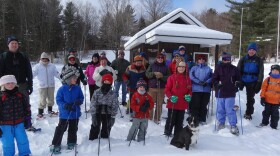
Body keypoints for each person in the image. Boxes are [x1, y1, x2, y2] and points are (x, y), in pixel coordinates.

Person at [0, 35, 35, 130]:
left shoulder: (23, 56)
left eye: (16, 43)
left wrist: (30, 83)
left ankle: (27, 122)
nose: (14, 45)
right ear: (8, 45)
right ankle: (9, 123)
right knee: (8, 104)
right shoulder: (3, 56)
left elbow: (28, 70)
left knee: (25, 104)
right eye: (12, 43)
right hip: (8, 85)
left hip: (22, 84)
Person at [50, 67, 84, 154]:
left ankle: (71, 142)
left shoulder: (78, 88)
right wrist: (65, 105)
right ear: (68, 79)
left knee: (73, 128)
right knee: (61, 128)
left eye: (76, 78)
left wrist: (79, 101)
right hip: (64, 114)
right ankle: (56, 144)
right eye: (74, 78)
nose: (76, 79)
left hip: (75, 113)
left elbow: (81, 97)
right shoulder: (62, 89)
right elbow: (58, 100)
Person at [0, 75, 31, 156]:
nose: (10, 85)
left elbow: (26, 108)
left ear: (15, 84)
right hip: (4, 125)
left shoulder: (20, 95)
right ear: (3, 85)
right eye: (7, 83)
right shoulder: (1, 97)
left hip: (19, 123)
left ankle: (25, 154)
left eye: (12, 83)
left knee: (23, 140)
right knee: (7, 143)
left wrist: (27, 119)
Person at [212, 52, 241, 135]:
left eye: (228, 59)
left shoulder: (234, 69)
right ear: (222, 59)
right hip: (220, 92)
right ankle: (221, 123)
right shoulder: (218, 68)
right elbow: (214, 78)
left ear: (230, 60)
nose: (226, 60)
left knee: (229, 109)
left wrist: (238, 83)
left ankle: (233, 125)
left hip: (230, 92)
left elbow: (239, 79)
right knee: (220, 109)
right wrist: (216, 84)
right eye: (224, 59)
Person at [164, 61, 192, 137]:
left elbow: (189, 90)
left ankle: (178, 134)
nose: (181, 68)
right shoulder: (171, 77)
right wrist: (170, 96)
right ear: (177, 67)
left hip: (182, 103)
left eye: (183, 67)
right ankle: (167, 132)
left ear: (185, 68)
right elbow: (167, 89)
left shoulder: (187, 79)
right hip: (173, 102)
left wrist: (189, 96)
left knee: (180, 120)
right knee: (171, 119)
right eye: (180, 66)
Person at [237, 42, 264, 120]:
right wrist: (239, 80)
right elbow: (238, 70)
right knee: (232, 91)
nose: (251, 51)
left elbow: (261, 72)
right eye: (250, 50)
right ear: (248, 50)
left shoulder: (259, 60)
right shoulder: (243, 59)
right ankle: (230, 107)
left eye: (253, 50)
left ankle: (248, 113)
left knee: (250, 98)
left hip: (253, 81)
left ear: (255, 51)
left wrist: (259, 83)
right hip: (243, 79)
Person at [88, 74, 118, 140]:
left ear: (111, 83)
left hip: (108, 113)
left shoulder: (113, 94)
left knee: (106, 128)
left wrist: (113, 116)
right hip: (97, 112)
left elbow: (115, 105)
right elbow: (93, 103)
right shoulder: (97, 92)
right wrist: (93, 114)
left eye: (109, 82)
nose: (107, 83)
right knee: (95, 126)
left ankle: (104, 139)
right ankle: (93, 139)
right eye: (105, 81)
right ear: (102, 82)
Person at [33, 52, 60, 118]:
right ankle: (40, 113)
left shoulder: (52, 66)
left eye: (46, 58)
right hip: (42, 86)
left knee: (51, 99)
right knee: (42, 99)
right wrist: (28, 79)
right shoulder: (37, 66)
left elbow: (57, 74)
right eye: (43, 58)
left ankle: (50, 111)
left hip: (51, 85)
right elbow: (32, 73)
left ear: (48, 59)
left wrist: (62, 78)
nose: (45, 60)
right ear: (41, 59)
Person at [145, 53, 170, 123]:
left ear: (163, 59)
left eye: (161, 58)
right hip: (152, 87)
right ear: (156, 58)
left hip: (161, 88)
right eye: (159, 58)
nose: (160, 59)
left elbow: (169, 77)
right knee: (150, 103)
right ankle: (149, 117)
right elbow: (147, 74)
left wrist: (162, 76)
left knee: (159, 104)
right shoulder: (152, 65)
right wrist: (154, 73)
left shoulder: (166, 67)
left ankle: (157, 118)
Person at [189, 54, 213, 124]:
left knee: (203, 105)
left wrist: (207, 82)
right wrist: (198, 82)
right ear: (197, 60)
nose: (201, 60)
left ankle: (202, 119)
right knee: (195, 105)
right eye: (200, 59)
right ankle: (194, 119)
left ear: (205, 60)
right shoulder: (194, 68)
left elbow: (212, 77)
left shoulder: (208, 68)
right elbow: (191, 76)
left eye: (203, 59)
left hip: (206, 90)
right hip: (196, 89)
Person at [258, 64, 280, 129]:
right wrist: (262, 97)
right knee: (266, 113)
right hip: (267, 100)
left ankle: (274, 126)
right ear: (271, 71)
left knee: (275, 114)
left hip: (276, 102)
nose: (275, 72)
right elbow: (263, 89)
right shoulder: (268, 79)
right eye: (273, 70)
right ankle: (264, 123)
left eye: (276, 70)